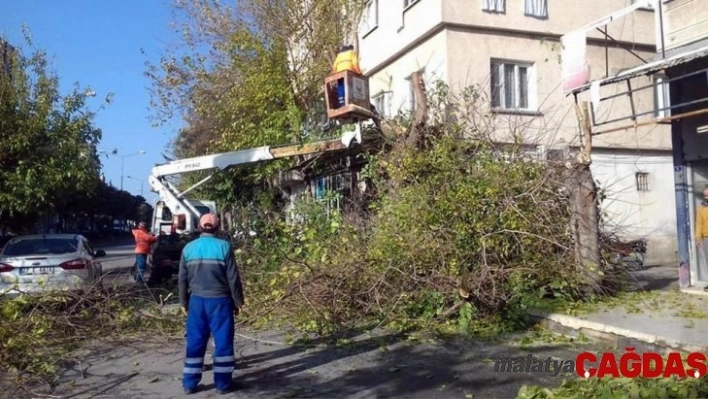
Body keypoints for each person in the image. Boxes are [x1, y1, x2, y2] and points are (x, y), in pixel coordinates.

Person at [179, 213, 245, 395]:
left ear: (200, 227)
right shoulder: (224, 247)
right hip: (221, 302)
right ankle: (223, 384)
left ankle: (189, 384)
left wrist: (183, 302)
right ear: (217, 228)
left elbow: (182, 280)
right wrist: (238, 301)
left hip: (196, 302)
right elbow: (233, 278)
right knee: (223, 341)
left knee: (195, 340)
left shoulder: (188, 248)